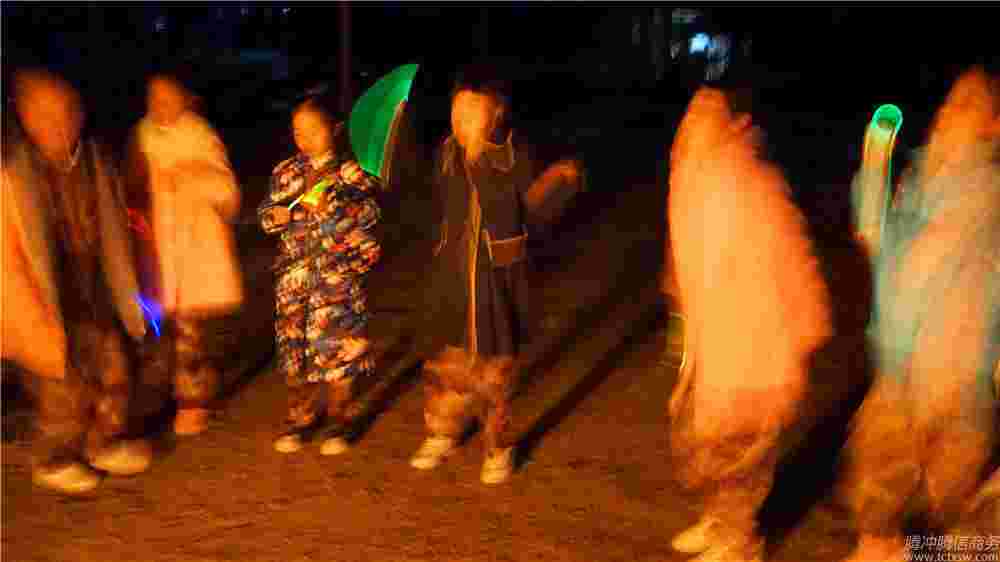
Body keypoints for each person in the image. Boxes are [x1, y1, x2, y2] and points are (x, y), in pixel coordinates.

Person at [837, 67, 1000, 560]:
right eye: (949, 102)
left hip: (956, 384)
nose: (948, 114)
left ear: (994, 125)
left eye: (966, 105)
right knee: (875, 496)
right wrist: (874, 161)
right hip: (898, 373)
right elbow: (875, 236)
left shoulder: (989, 194)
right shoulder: (919, 178)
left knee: (958, 521)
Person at [665, 87, 833, 561]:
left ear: (730, 126)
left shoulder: (750, 183)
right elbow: (685, 269)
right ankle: (719, 520)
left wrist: (805, 332)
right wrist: (686, 338)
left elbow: (794, 258)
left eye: (705, 115)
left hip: (754, 348)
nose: (692, 123)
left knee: (738, 455)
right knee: (702, 444)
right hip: (715, 345)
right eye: (690, 113)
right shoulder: (690, 182)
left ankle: (739, 544)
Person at [410, 66, 584, 485]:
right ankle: (442, 432)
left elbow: (515, 213)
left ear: (498, 113)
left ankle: (497, 447)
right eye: (457, 111)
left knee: (494, 376)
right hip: (453, 283)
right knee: (446, 368)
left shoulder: (511, 156)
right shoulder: (447, 153)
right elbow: (439, 205)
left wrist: (484, 165)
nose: (462, 121)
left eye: (473, 112)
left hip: (496, 286)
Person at [1, 68, 153, 494]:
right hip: (42, 293)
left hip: (93, 284)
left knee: (113, 365)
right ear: (25, 117)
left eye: (66, 112)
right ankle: (56, 456)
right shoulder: (12, 174)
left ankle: (105, 439)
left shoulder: (94, 160)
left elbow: (114, 222)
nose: (58, 124)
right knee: (61, 384)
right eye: (45, 115)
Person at [258, 98, 382, 455]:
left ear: (334, 129)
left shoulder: (351, 174)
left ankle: (339, 421)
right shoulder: (286, 172)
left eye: (314, 131)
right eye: (298, 132)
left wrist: (335, 209)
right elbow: (266, 211)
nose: (305, 139)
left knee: (337, 351)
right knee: (295, 350)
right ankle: (300, 418)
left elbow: (370, 214)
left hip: (336, 279)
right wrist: (274, 218)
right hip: (294, 278)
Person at [126, 72, 244, 436]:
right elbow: (131, 184)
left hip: (192, 249)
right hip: (155, 247)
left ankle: (192, 401)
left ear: (183, 99)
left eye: (167, 98)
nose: (160, 105)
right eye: (153, 98)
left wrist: (190, 177)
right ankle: (160, 395)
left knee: (189, 332)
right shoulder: (141, 135)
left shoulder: (199, 135)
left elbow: (226, 189)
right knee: (156, 326)